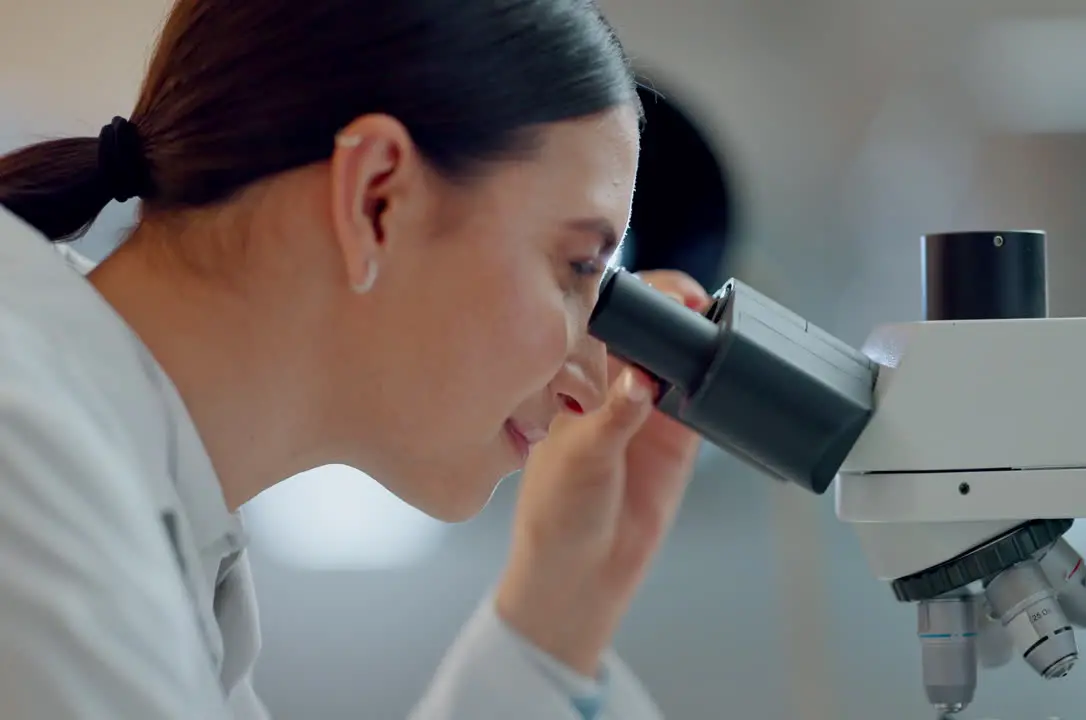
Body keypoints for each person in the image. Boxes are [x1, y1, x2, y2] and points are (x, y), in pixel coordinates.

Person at [0, 0, 711, 717]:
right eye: (576, 265)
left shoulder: (147, 539)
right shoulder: (26, 470)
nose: (593, 382)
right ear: (377, 200)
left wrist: (558, 614)